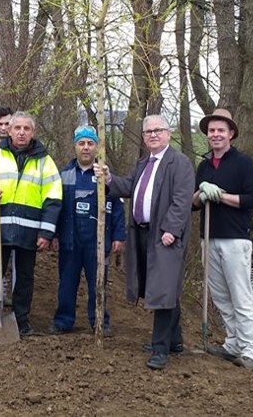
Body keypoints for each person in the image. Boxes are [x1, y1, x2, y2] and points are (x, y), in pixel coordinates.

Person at [94, 114, 194, 370]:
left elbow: (182, 201)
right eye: (148, 132)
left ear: (168, 133)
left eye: (158, 130)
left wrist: (171, 228)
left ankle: (160, 350)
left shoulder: (179, 163)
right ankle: (175, 340)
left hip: (164, 236)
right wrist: (108, 178)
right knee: (164, 286)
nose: (152, 135)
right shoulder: (143, 163)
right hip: (142, 234)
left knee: (162, 290)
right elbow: (128, 186)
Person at [0, 111, 63, 340]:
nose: (21, 132)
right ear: (9, 130)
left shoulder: (44, 161)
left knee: (24, 277)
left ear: (33, 132)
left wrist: (46, 232)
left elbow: (53, 198)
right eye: (17, 128)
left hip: (29, 230)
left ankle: (21, 320)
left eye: (26, 129)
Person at [192, 108, 253, 370]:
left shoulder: (243, 163)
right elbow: (193, 203)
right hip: (208, 238)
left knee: (241, 296)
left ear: (231, 133)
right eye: (212, 131)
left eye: (221, 130)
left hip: (235, 239)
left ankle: (252, 349)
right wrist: (201, 193)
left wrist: (220, 195)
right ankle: (233, 343)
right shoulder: (204, 165)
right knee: (221, 297)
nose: (216, 135)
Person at [50, 126, 126, 336]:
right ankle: (63, 321)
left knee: (98, 284)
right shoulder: (64, 175)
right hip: (69, 239)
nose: (85, 148)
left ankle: (100, 321)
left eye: (90, 143)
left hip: (98, 241)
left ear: (96, 147)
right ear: (74, 146)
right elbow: (55, 207)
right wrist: (54, 234)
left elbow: (118, 206)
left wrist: (119, 235)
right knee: (66, 283)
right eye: (81, 143)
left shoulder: (104, 176)